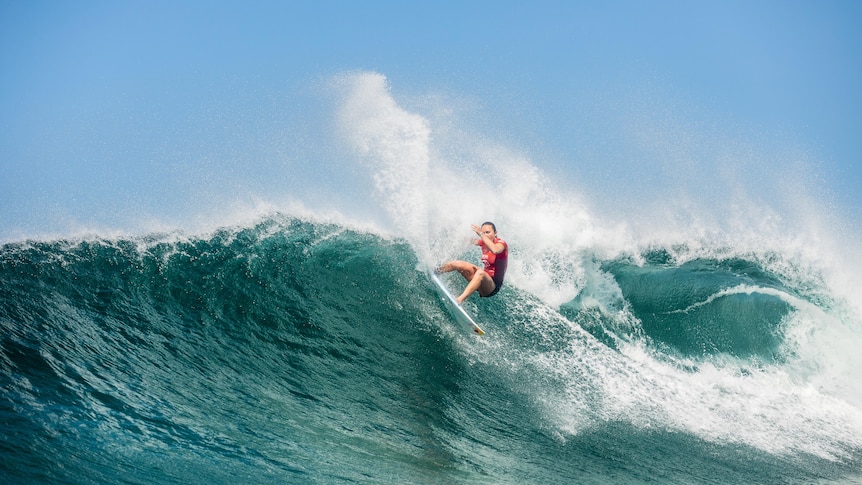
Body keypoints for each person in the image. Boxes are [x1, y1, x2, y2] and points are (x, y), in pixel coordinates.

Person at [436, 222, 509, 305]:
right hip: (480, 280)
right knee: (457, 264)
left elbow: (495, 250)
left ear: (495, 233)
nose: (485, 235)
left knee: (481, 273)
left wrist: (482, 234)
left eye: (488, 232)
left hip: (492, 287)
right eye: (483, 232)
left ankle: (459, 300)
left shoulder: (501, 244)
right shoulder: (483, 242)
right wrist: (452, 233)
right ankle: (435, 271)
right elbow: (468, 240)